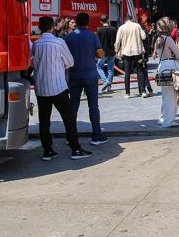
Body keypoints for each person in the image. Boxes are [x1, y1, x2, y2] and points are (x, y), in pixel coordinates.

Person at [31, 16, 92, 160]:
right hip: (58, 86)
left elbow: (33, 62)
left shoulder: (36, 44)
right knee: (69, 118)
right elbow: (70, 62)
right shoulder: (59, 42)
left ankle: (48, 150)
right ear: (52, 27)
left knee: (44, 120)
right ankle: (75, 149)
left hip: (41, 87)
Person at [65, 12, 108, 145]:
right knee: (93, 106)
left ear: (76, 23)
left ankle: (70, 136)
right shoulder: (92, 36)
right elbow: (101, 55)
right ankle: (96, 135)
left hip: (74, 75)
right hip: (90, 75)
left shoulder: (69, 37)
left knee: (73, 106)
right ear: (88, 22)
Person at [153, 17, 179, 127]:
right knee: (172, 96)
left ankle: (162, 118)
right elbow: (178, 54)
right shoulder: (168, 39)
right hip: (171, 67)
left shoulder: (157, 39)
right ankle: (168, 121)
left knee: (165, 96)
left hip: (161, 67)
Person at [115, 16, 148, 98]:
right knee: (140, 71)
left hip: (126, 52)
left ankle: (127, 93)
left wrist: (116, 50)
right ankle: (143, 91)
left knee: (127, 73)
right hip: (138, 51)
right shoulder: (137, 26)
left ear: (125, 20)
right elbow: (144, 36)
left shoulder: (121, 28)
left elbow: (118, 41)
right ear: (132, 20)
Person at [96, 14, 117, 93]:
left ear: (101, 21)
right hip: (112, 52)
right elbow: (116, 41)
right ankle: (109, 85)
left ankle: (106, 81)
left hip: (102, 52)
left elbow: (97, 42)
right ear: (108, 20)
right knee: (110, 69)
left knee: (98, 66)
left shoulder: (99, 30)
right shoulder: (113, 29)